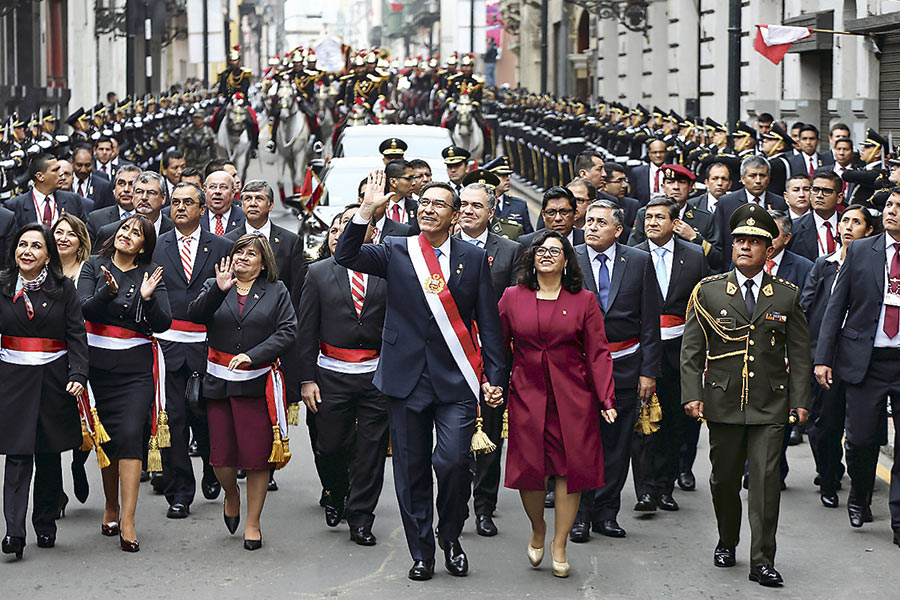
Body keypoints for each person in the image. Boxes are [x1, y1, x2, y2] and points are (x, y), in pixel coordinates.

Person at [334, 175, 506, 581]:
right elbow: (346, 255)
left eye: (438, 205)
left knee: (451, 463)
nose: (427, 209)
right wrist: (365, 211)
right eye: (423, 203)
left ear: (455, 214)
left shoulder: (472, 258)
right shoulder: (397, 249)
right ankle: (422, 552)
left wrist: (495, 376)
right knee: (410, 471)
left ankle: (450, 535)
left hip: (456, 381)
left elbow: (488, 322)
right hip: (405, 378)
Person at [681, 203, 810, 587]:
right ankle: (727, 538)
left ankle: (762, 560)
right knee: (723, 480)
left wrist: (800, 401)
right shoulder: (710, 291)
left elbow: (800, 353)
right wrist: (692, 393)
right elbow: (691, 350)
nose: (745, 247)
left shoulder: (786, 295)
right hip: (722, 402)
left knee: (766, 482)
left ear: (768, 250)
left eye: (754, 242)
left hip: (770, 404)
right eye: (739, 240)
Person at [499, 229, 615, 577]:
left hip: (573, 397)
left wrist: (606, 397)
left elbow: (598, 352)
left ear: (567, 260)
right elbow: (498, 347)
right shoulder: (511, 297)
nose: (547, 255)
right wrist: (492, 387)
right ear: (531, 258)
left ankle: (560, 544)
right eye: (541, 250)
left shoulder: (584, 300)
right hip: (526, 394)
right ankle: (538, 528)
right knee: (530, 471)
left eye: (555, 250)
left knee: (569, 471)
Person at [187, 234, 297, 550]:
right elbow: (195, 315)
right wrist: (217, 291)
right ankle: (231, 493)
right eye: (239, 252)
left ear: (264, 263)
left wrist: (256, 354)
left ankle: (253, 522)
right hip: (218, 384)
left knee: (257, 457)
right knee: (221, 457)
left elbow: (288, 331)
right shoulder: (217, 284)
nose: (244, 258)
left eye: (252, 254)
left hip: (256, 384)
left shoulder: (276, 291)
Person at [77, 215, 172, 552]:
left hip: (134, 370)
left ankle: (128, 520)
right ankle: (111, 506)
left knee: (131, 436)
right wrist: (108, 292)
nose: (127, 235)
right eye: (125, 229)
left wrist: (148, 299)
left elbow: (163, 322)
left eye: (136, 233)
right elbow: (84, 310)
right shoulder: (93, 265)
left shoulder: (151, 274)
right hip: (97, 367)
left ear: (144, 244)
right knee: (108, 441)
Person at [298, 204, 389, 546]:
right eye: (336, 229)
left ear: (372, 234)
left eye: (350, 227)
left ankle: (362, 517)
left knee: (371, 451)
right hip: (331, 374)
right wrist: (307, 379)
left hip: (376, 376)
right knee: (331, 445)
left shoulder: (386, 270)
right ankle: (336, 491)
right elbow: (305, 330)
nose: (341, 235)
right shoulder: (318, 272)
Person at [814, 189, 900, 548]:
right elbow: (836, 306)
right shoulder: (864, 251)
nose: (892, 211)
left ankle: (898, 518)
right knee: (863, 439)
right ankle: (859, 494)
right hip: (867, 361)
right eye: (890, 205)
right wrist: (822, 357)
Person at [572, 200, 660, 540]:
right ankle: (580, 514)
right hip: (579, 368)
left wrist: (648, 371)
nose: (591, 226)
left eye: (600, 222)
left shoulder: (638, 261)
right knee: (581, 444)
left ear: (618, 230)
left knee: (616, 444)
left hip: (624, 365)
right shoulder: (570, 257)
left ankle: (606, 514)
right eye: (589, 221)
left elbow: (650, 321)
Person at [0, 224, 88, 560]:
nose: (27, 251)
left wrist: (78, 373)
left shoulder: (63, 288)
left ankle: (46, 522)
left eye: (36, 246)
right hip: (12, 381)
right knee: (18, 456)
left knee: (49, 455)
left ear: (48, 255)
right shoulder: (4, 284)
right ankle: (14, 533)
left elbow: (76, 335)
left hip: (53, 381)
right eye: (22, 245)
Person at [151, 182, 233, 519]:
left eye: (188, 202)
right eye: (175, 202)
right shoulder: (156, 246)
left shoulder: (223, 246)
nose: (180, 207)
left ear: (202, 209)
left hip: (207, 344)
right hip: (168, 343)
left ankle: (213, 467)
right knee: (174, 418)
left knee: (205, 415)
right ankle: (179, 492)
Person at [226, 179, 306, 491]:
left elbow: (296, 290)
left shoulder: (288, 240)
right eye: (246, 198)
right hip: (237, 335)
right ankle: (243, 460)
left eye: (259, 198)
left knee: (267, 404)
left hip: (274, 336)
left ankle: (265, 465)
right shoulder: (229, 239)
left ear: (271, 205)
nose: (252, 204)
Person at [454, 176, 522, 537]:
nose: (467, 211)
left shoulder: (509, 251)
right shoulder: (442, 247)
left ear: (492, 211)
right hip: (450, 354)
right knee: (451, 438)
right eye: (463, 204)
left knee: (490, 435)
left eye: (476, 205)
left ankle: (484, 507)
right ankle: (452, 504)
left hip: (493, 354)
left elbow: (513, 309)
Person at [801, 205, 876, 509]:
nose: (847, 227)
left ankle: (862, 489)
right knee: (826, 422)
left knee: (862, 429)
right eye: (844, 221)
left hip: (861, 356)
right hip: (826, 355)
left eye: (856, 222)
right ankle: (828, 477)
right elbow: (806, 308)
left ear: (869, 231)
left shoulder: (874, 265)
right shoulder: (824, 265)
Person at [634, 198, 709, 499]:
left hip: (680, 351)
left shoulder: (693, 256)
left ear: (675, 223)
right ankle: (645, 491)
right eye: (648, 216)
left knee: (672, 423)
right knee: (643, 424)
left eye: (659, 217)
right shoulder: (634, 256)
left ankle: (665, 488)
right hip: (642, 350)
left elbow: (702, 306)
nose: (652, 222)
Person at [53, 215, 93, 507]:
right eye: (58, 232)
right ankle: (54, 490)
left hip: (85, 352)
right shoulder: (43, 270)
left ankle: (79, 464)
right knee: (51, 424)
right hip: (52, 356)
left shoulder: (88, 271)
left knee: (86, 419)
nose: (63, 238)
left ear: (80, 242)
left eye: (70, 234)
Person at [714, 155, 788, 266]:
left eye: (762, 175)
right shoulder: (726, 202)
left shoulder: (780, 203)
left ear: (768, 178)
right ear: (742, 178)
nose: (758, 181)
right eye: (753, 176)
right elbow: (720, 240)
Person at [94, 171, 173, 247]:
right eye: (139, 192)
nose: (144, 197)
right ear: (133, 196)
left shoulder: (175, 231)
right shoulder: (110, 232)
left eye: (151, 192)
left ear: (163, 198)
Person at [7, 153, 86, 228]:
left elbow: (82, 234)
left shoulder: (73, 201)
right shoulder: (15, 205)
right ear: (40, 176)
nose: (61, 173)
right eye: (55, 170)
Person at [787, 170, 843, 263]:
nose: (819, 196)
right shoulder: (794, 228)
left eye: (827, 191)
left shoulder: (849, 224)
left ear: (839, 198)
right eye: (815, 190)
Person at [86, 164, 142, 246]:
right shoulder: (96, 219)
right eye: (121, 183)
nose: (126, 189)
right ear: (114, 188)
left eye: (132, 184)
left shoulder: (149, 217)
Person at [517, 186, 585, 249]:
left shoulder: (586, 240)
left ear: (575, 214)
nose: (558, 218)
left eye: (564, 212)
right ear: (543, 215)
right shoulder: (527, 243)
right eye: (551, 213)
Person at [202, 170, 245, 235]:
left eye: (223, 187)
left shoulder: (244, 217)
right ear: (205, 190)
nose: (217, 191)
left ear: (233, 192)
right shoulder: (195, 216)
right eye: (212, 187)